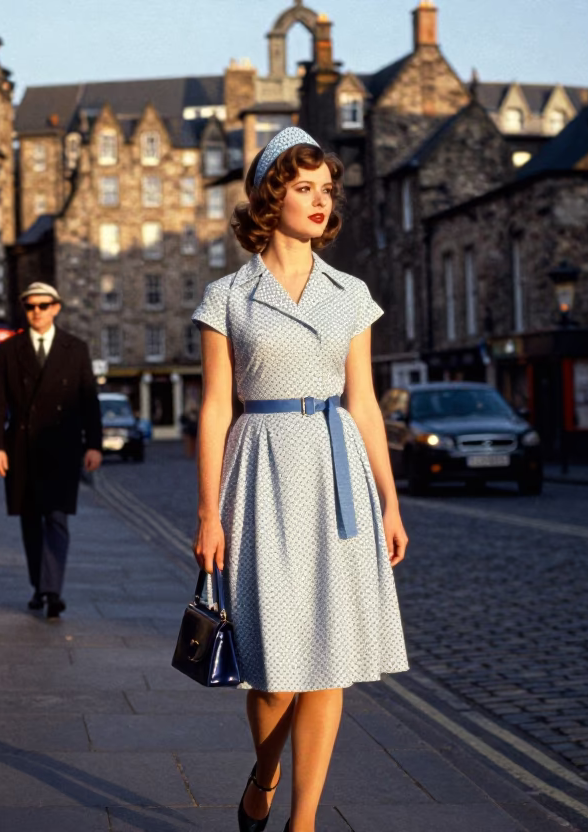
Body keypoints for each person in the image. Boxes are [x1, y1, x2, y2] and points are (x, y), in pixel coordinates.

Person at [191, 127, 408, 832]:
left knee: (330, 661)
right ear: (269, 195)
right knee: (274, 671)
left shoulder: (351, 293)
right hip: (259, 476)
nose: (320, 201)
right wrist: (208, 513)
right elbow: (217, 406)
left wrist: (390, 500)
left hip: (335, 469)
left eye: (327, 190)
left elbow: (365, 402)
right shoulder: (229, 295)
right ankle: (265, 775)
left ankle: (303, 822)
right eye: (303, 188)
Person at [0, 282, 103, 620]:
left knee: (56, 517)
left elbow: (88, 401)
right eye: (30, 306)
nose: (36, 311)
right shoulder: (9, 349)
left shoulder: (75, 348)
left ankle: (52, 590)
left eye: (42, 305)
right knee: (30, 520)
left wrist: (93, 444)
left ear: (56, 308)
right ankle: (40, 584)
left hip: (62, 445)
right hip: (21, 446)